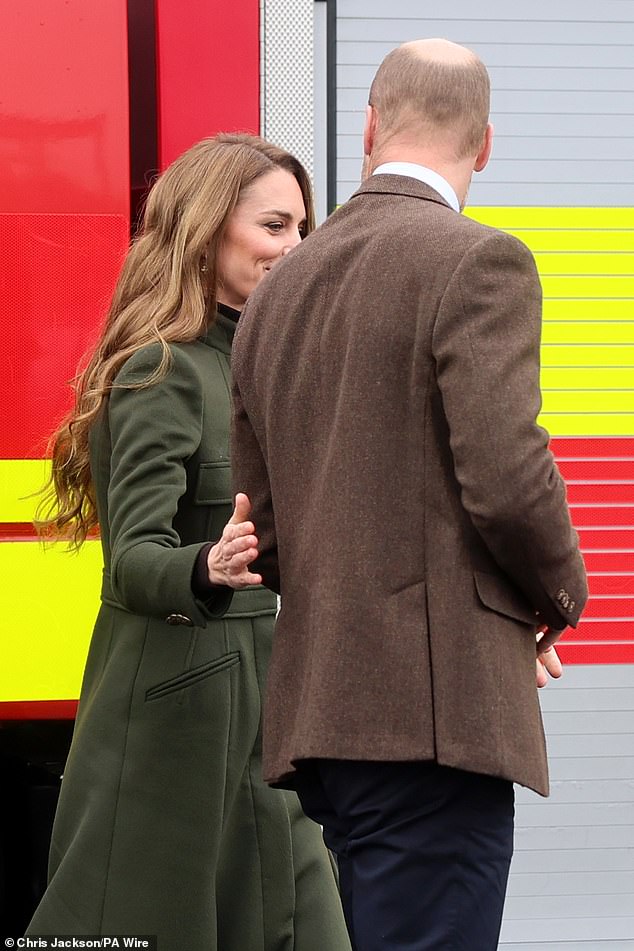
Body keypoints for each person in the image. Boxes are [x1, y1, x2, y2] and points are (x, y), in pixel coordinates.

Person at [230, 40, 589, 951]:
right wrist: (555, 595)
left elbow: (263, 532)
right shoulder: (480, 262)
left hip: (326, 722)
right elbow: (507, 478)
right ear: (488, 143)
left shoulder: (277, 291)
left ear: (370, 124)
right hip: (432, 723)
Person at [27, 134, 351, 951]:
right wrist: (206, 565)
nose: (295, 247)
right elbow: (133, 559)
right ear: (208, 234)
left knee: (304, 924)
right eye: (274, 225)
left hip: (274, 693)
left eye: (303, 229)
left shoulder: (277, 360)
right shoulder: (159, 368)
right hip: (178, 711)